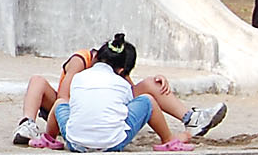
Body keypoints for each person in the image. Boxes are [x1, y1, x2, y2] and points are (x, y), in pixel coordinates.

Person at [14, 33, 226, 146]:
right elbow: (64, 97)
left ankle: (191, 118)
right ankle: (28, 124)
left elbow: (129, 92)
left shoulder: (114, 72)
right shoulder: (81, 61)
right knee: (38, 81)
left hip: (81, 122)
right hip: (64, 111)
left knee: (151, 84)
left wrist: (157, 81)